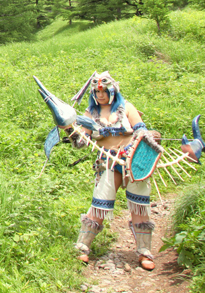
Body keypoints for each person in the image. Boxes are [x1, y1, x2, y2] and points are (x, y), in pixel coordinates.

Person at [63, 71, 157, 271]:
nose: (100, 95)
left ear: (112, 90)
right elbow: (81, 142)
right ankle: (82, 246)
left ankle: (144, 251)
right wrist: (69, 130)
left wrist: (149, 136)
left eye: (104, 91)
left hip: (133, 161)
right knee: (100, 203)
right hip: (107, 161)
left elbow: (141, 130)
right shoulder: (90, 113)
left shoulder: (127, 108)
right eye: (97, 92)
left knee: (139, 205)